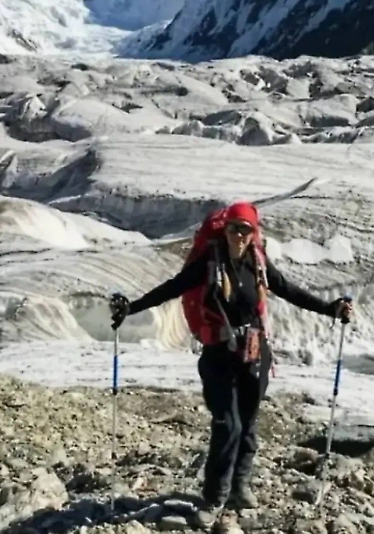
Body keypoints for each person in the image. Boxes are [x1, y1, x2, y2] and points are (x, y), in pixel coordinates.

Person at [110, 201, 353, 528]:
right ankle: (214, 497)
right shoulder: (209, 264)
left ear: (254, 233)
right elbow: (173, 288)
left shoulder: (259, 264)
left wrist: (330, 308)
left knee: (249, 423)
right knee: (228, 424)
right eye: (234, 228)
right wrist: (132, 308)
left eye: (245, 229)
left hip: (254, 354)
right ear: (224, 230)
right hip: (219, 356)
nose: (239, 234)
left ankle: (239, 487)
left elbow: (289, 290)